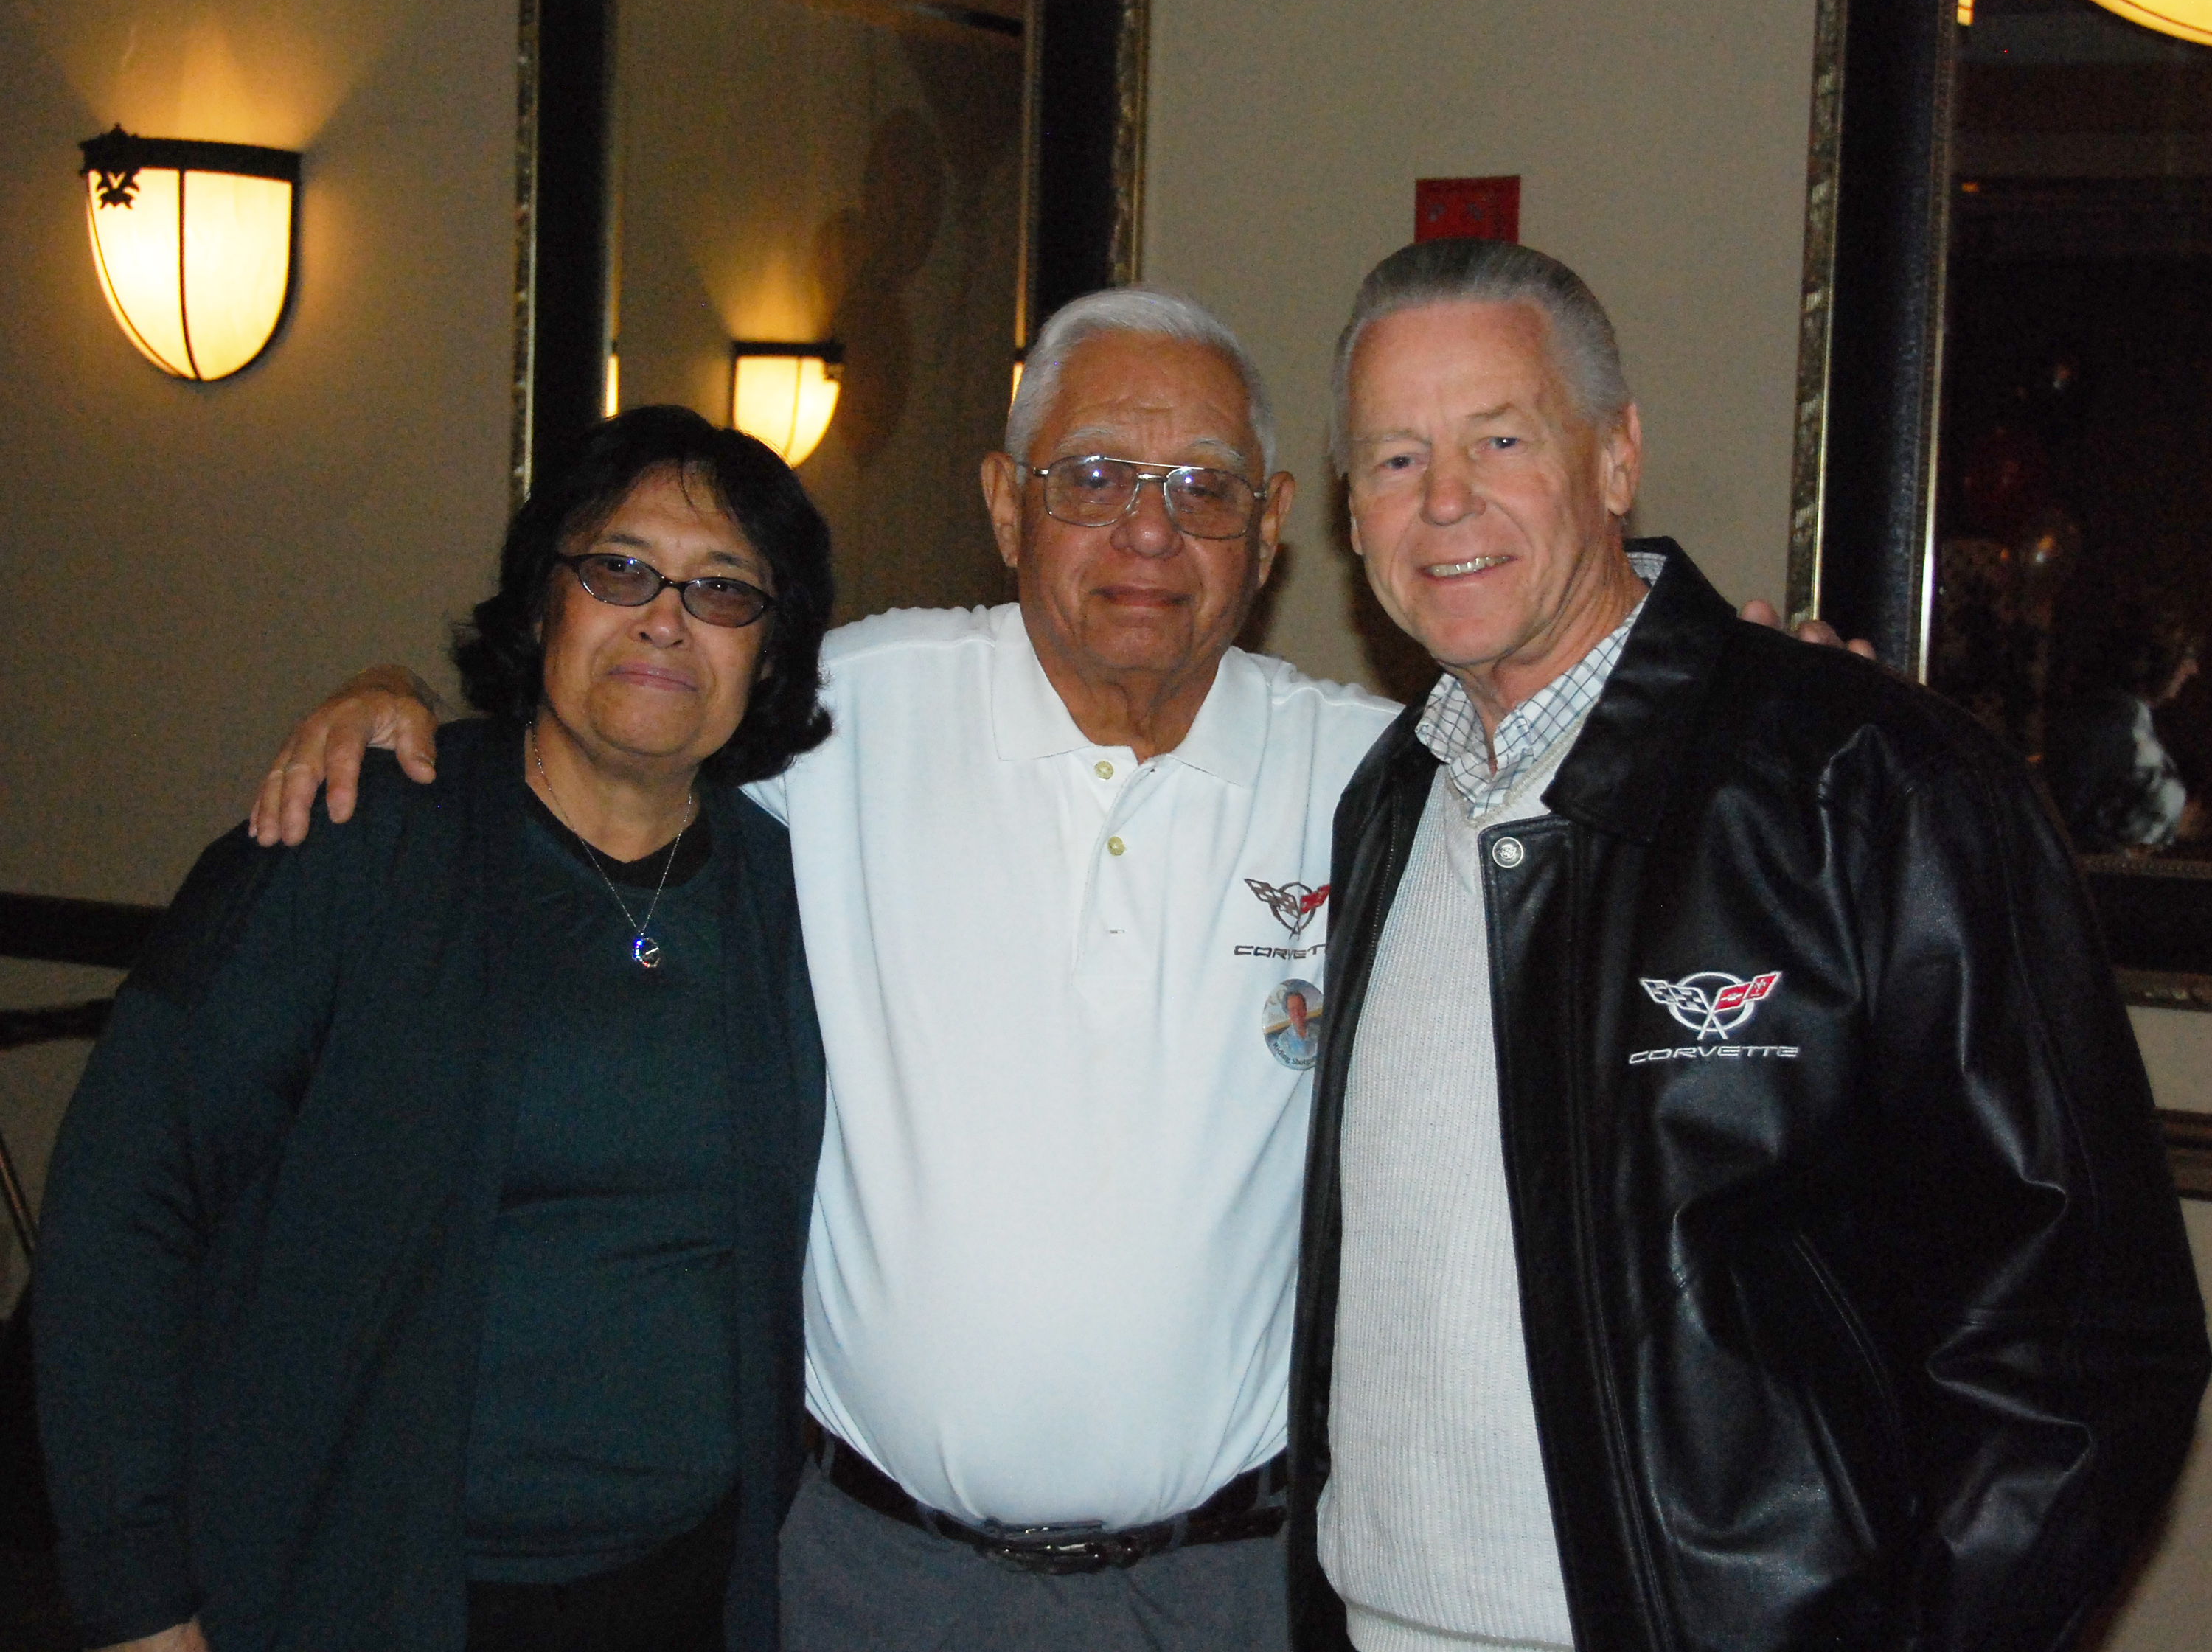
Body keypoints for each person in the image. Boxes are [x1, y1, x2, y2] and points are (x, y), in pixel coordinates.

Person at [250, 287, 1863, 1651]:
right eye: (1092, 476)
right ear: (1006, 501)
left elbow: (1610, 765)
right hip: (875, 1580)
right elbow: (613, 715)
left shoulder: (1382, 778)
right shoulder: (843, 718)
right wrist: (398, 710)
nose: (1147, 532)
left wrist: (1755, 712)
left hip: (1229, 1588)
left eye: (1201, 486)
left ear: (1275, 524)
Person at [1288, 238, 2211, 1652]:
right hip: (1379, 1622)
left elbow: (2085, 1343)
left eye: (1501, 437)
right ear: (1351, 511)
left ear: (1615, 458)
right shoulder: (1388, 803)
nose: (1447, 500)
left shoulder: (1867, 784)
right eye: (1395, 458)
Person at [35, 408, 834, 1652]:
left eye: (725, 592)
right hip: (366, 1588)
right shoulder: (356, 844)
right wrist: (139, 1599)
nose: (666, 619)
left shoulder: (789, 892)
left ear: (770, 654)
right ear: (539, 604)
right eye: (619, 570)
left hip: (686, 1592)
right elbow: (122, 1205)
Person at [2045, 603, 2204, 853]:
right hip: (2103, 882)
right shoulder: (2112, 722)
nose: (2193, 669)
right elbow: (2067, 817)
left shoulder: (2131, 720)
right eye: (2188, 656)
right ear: (2162, 660)